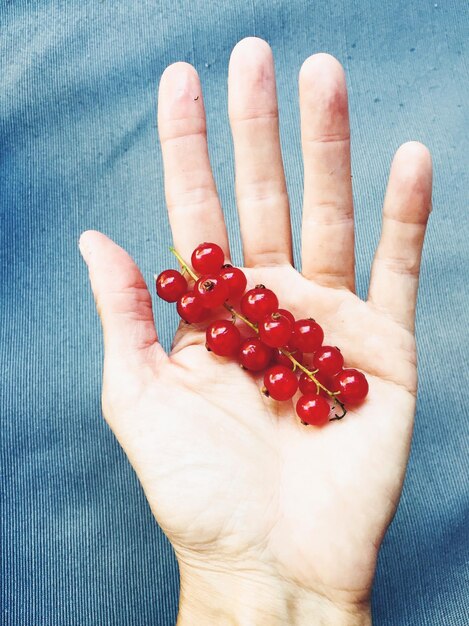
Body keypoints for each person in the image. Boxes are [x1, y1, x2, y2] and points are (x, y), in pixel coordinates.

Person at [78, 37, 432, 625]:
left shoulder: (296, 354)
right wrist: (248, 574)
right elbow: (251, 338)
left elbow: (275, 339)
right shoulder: (219, 318)